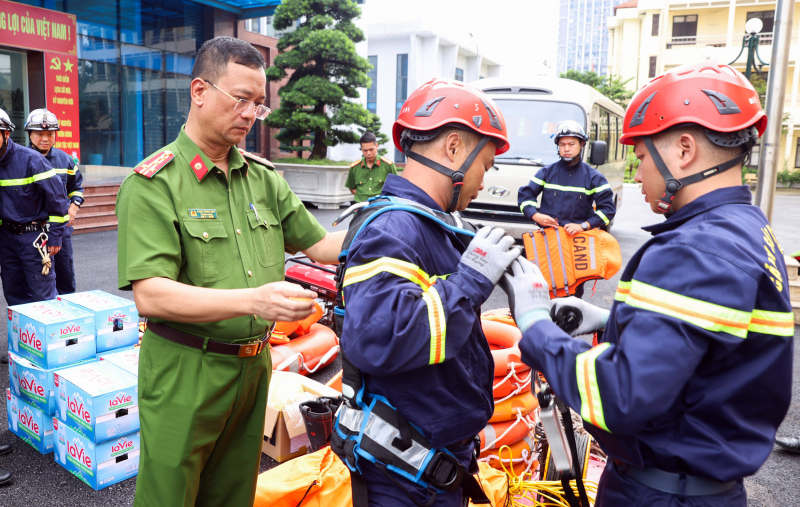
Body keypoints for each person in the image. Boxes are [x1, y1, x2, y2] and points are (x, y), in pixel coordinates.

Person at [500, 61, 794, 506]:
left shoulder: (696, 248)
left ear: (684, 150)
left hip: (662, 492)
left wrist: (535, 323)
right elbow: (710, 343)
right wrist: (610, 319)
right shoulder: (745, 227)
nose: (638, 176)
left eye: (641, 158)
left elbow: (621, 396)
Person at [115, 37, 345, 507]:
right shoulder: (154, 184)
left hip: (254, 367)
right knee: (169, 496)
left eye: (258, 104)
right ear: (200, 91)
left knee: (233, 494)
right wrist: (253, 300)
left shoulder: (263, 178)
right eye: (241, 99)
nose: (250, 114)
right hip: (185, 369)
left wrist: (397, 222)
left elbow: (322, 245)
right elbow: (151, 295)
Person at [332, 79, 520, 507]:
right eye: (486, 165)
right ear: (453, 148)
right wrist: (470, 282)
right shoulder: (394, 229)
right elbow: (380, 338)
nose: (483, 181)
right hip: (403, 479)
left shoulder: (432, 225)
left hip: (429, 467)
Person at [0, 107, 68, 306]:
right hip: (6, 239)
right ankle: (24, 328)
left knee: (43, 296)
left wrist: (55, 236)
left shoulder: (32, 160)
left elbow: (57, 200)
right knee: (14, 294)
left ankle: (50, 328)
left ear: (6, 134)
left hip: (34, 239)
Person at [517, 119, 616, 235]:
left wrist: (584, 226)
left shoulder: (594, 177)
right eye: (562, 144)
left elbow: (608, 210)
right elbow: (525, 196)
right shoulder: (546, 172)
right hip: (548, 238)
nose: (566, 149)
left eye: (571, 144)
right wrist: (535, 215)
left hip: (579, 240)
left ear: (581, 144)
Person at [24, 108, 84, 294]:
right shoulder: (20, 159)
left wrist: (73, 206)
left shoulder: (64, 159)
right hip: (33, 231)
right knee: (39, 279)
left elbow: (76, 186)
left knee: (66, 276)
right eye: (40, 134)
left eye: (50, 134)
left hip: (61, 229)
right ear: (29, 134)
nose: (45, 138)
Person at [345, 131, 398, 202]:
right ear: (361, 149)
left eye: (371, 149)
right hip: (361, 206)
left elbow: (395, 188)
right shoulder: (355, 167)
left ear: (377, 146)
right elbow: (352, 188)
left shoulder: (388, 166)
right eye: (365, 150)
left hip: (381, 205)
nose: (368, 153)